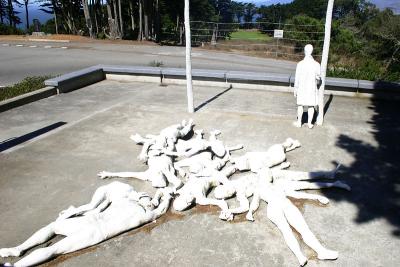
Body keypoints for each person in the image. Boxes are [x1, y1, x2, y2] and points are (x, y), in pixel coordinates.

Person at [0, 182, 173, 267]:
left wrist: (165, 197)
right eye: (144, 196)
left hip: (96, 231)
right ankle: (19, 248)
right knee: (54, 226)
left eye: (147, 198)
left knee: (55, 249)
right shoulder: (128, 202)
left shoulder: (144, 214)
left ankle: (15, 266)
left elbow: (160, 210)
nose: (145, 197)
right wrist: (163, 196)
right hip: (91, 221)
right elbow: (101, 204)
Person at [294, 44, 321, 129]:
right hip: (310, 88)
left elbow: (297, 78)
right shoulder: (316, 64)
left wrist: (295, 88)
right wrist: (318, 79)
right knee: (310, 105)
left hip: (303, 87)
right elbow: (319, 80)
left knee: (301, 105)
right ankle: (309, 123)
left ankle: (300, 122)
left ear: (304, 51)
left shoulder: (300, 64)